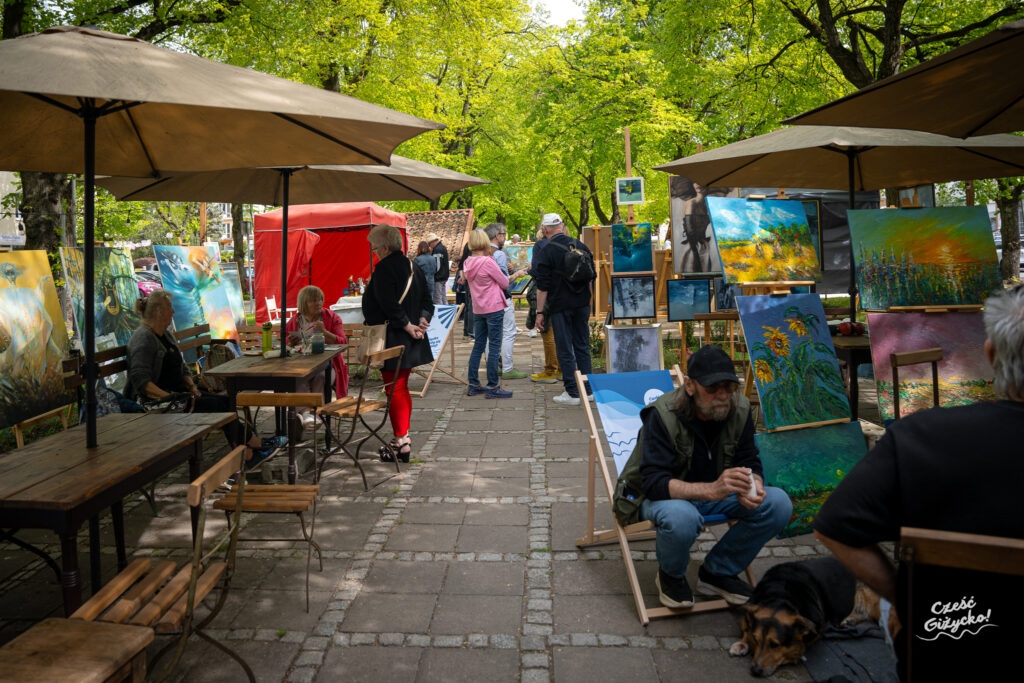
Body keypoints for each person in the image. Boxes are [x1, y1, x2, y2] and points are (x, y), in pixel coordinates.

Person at [814, 285, 1024, 610]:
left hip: (948, 636)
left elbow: (834, 527)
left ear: (991, 354)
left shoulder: (922, 436)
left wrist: (907, 601)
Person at [616, 345, 792, 609]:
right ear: (689, 386)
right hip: (658, 498)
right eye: (712, 389)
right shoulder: (662, 415)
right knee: (682, 517)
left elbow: (748, 459)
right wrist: (711, 490)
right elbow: (654, 483)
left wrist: (752, 482)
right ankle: (671, 576)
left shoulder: (740, 409)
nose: (722, 396)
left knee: (779, 504)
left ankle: (718, 572)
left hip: (715, 493)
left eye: (728, 387)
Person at [125, 290, 278, 463]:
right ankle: (250, 451)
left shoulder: (165, 335)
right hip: (159, 404)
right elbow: (141, 381)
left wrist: (192, 387)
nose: (173, 311)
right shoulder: (143, 338)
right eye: (170, 308)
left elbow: (181, 367)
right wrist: (170, 398)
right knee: (219, 406)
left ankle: (248, 452)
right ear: (159, 312)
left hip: (180, 396)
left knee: (225, 401)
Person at [362, 224, 434, 462]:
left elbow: (388, 303)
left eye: (374, 249)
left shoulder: (383, 268)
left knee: (395, 388)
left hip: (394, 335)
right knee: (400, 386)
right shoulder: (414, 265)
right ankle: (402, 438)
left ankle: (400, 440)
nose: (374, 253)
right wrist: (422, 320)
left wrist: (407, 325)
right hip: (411, 335)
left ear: (384, 248)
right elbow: (427, 299)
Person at [534, 213, 594, 404]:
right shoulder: (581, 246)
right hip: (582, 304)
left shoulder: (546, 251)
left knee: (564, 347)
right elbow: (591, 277)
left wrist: (540, 312)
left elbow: (542, 287)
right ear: (562, 226)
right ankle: (588, 390)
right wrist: (589, 302)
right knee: (582, 345)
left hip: (561, 305)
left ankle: (572, 392)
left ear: (544, 230)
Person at [286, 285, 349, 431]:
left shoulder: (331, 317)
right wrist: (290, 343)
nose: (318, 303)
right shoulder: (294, 321)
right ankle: (308, 414)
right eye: (313, 300)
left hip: (328, 365)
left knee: (321, 377)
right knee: (298, 378)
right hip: (300, 365)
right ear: (304, 303)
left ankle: (310, 414)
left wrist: (325, 332)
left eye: (320, 299)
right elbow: (285, 346)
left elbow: (343, 343)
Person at [462, 229, 513, 399]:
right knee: (493, 347)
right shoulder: (488, 262)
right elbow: (505, 283)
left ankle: (473, 384)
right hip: (494, 308)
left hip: (478, 309)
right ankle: (492, 386)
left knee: (478, 346)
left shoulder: (468, 262)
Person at [483, 222, 527, 380]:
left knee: (489, 334)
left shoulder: (480, 252)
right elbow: (504, 281)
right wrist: (517, 274)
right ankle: (507, 368)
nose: (505, 237)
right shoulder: (499, 253)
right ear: (497, 236)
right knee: (509, 332)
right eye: (503, 234)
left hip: (485, 299)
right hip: (501, 298)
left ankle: (492, 367)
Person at [528, 228, 560, 383]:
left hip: (546, 294)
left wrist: (530, 270)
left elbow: (536, 270)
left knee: (547, 333)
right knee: (560, 334)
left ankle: (550, 370)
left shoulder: (540, 245)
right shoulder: (567, 243)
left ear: (544, 229)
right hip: (562, 294)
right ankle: (561, 369)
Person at [455, 242, 475, 338]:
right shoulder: (475, 245)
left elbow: (461, 265)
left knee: (468, 306)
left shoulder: (468, 244)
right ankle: (471, 331)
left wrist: (463, 277)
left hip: (467, 279)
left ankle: (467, 331)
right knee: (472, 306)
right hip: (472, 280)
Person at [427, 233, 449, 306]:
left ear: (432, 242)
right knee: (443, 298)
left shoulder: (437, 249)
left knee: (438, 299)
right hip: (444, 276)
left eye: (429, 244)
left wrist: (433, 273)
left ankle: (440, 315)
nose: (430, 246)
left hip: (438, 277)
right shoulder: (442, 247)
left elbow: (437, 265)